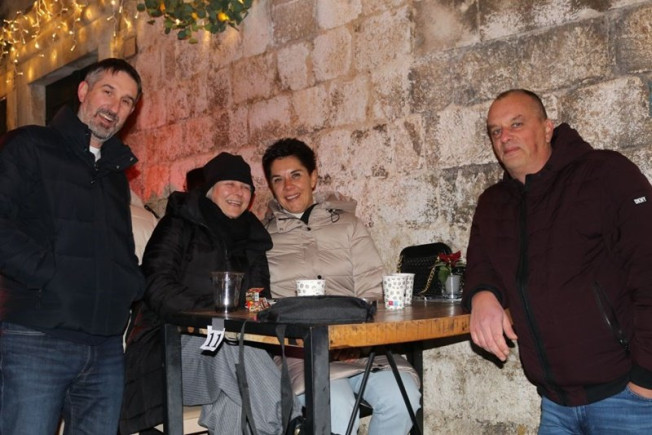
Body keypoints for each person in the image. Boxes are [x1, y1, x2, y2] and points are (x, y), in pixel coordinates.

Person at [463, 89, 652, 433]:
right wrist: (482, 295)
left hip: (627, 396)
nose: (505, 137)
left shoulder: (604, 174)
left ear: (548, 128)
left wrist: (646, 380)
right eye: (496, 131)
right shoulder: (493, 204)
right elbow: (481, 264)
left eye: (516, 124)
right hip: (555, 403)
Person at [0, 58, 145, 434]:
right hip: (37, 338)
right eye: (108, 91)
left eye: (126, 101)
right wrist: (48, 274)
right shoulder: (30, 145)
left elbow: (120, 247)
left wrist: (128, 285)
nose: (114, 107)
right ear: (83, 91)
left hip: (105, 347)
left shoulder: (115, 174)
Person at [120, 152, 300, 435]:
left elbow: (258, 296)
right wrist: (212, 314)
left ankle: (285, 423)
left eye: (245, 187)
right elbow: (156, 285)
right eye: (230, 184)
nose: (238, 193)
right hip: (168, 353)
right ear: (210, 189)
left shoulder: (252, 239)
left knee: (233, 398)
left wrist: (251, 311)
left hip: (227, 359)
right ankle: (290, 423)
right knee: (230, 345)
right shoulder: (178, 224)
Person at [262, 138, 422, 435]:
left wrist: (357, 341)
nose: (288, 186)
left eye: (296, 175)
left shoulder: (349, 225)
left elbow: (373, 287)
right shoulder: (263, 238)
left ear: (313, 177)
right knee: (335, 403)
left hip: (360, 349)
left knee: (403, 397)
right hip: (302, 353)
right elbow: (262, 303)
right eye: (278, 179)